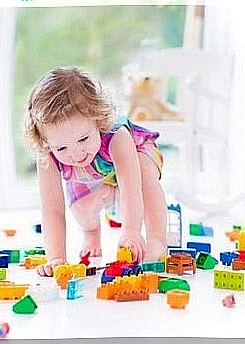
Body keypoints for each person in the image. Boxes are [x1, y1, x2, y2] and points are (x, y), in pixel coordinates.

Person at [24, 67, 167, 276]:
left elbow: (130, 187)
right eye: (62, 148)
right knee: (81, 206)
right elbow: (52, 209)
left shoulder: (116, 136)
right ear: (45, 142)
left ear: (98, 119)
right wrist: (56, 258)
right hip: (98, 174)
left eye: (83, 139)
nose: (75, 153)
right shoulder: (47, 154)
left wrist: (131, 231)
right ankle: (91, 233)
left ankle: (157, 239)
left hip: (133, 159)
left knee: (145, 174)